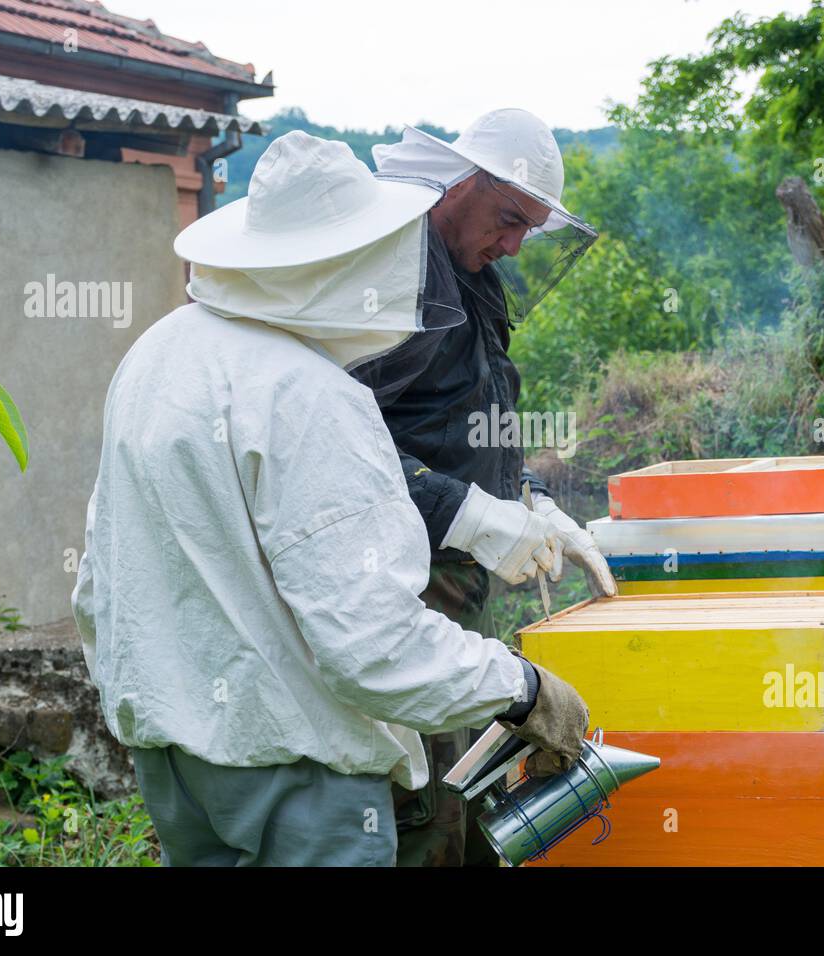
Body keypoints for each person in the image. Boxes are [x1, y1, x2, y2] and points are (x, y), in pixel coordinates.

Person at [70, 131, 588, 867]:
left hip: (176, 756)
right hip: (296, 767)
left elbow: (102, 578)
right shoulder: (307, 392)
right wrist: (525, 689)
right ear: (339, 261)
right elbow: (374, 646)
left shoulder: (158, 353)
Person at [349, 109, 616, 867]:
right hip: (399, 586)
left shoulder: (475, 280)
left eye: (528, 229)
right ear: (457, 184)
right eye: (507, 218)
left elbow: (471, 418)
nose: (513, 243)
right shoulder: (388, 275)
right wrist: (468, 514)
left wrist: (529, 499)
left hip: (459, 587)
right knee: (424, 798)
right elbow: (342, 454)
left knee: (467, 784)